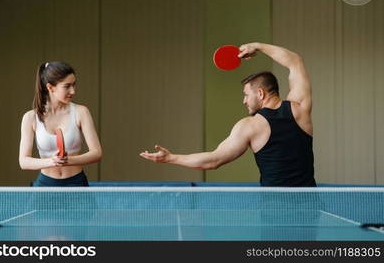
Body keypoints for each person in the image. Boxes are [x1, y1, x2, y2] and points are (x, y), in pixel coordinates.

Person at [140, 42, 316, 187]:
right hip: (310, 207)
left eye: (246, 95)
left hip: (275, 212)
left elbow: (213, 160)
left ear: (260, 94)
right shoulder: (300, 109)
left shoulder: (250, 126)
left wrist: (171, 158)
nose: (244, 101)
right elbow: (295, 61)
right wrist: (258, 46)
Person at [19, 61, 102, 186]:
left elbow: (97, 153)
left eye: (74, 85)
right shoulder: (30, 117)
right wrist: (51, 161)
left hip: (76, 182)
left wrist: (68, 160)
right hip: (45, 184)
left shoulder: (81, 112)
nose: (73, 91)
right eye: (67, 86)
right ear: (50, 87)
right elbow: (24, 161)